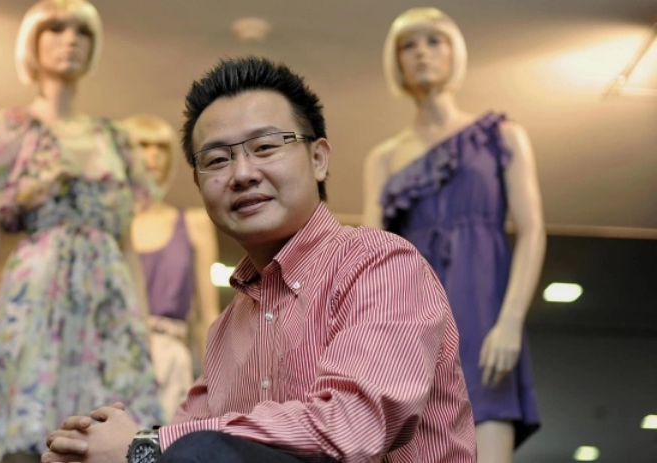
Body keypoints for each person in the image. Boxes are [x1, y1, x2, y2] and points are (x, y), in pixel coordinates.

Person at [41, 56, 476, 463]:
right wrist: (90, 448)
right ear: (199, 183)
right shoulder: (226, 330)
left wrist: (144, 446)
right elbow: (184, 440)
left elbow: (352, 424)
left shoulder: (381, 265)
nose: (243, 174)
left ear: (318, 159)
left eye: (266, 147)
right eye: (217, 160)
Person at [0, 1, 164, 461]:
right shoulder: (8, 130)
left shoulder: (115, 139)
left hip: (109, 309)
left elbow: (127, 246)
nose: (70, 40)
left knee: (112, 435)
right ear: (33, 41)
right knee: (25, 435)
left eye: (82, 32)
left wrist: (143, 333)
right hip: (34, 300)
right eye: (56, 29)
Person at [361, 8, 546, 462]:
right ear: (396, 62)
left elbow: (532, 231)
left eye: (434, 41)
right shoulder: (383, 159)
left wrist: (511, 321)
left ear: (454, 52)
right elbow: (368, 257)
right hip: (414, 327)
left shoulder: (501, 136)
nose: (422, 53)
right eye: (409, 45)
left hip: (485, 319)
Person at [120, 114, 221, 422]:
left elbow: (208, 315)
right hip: (113, 353)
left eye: (161, 147)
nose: (153, 155)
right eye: (143, 145)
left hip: (170, 360)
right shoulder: (106, 230)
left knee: (162, 441)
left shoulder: (193, 225)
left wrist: (216, 390)